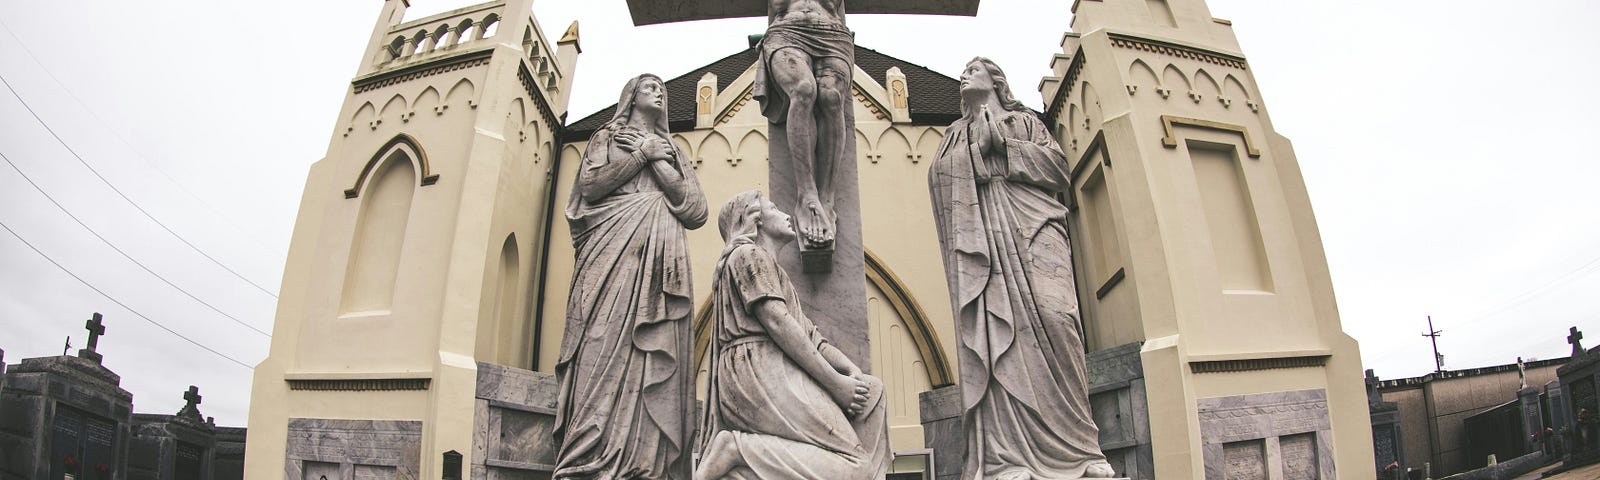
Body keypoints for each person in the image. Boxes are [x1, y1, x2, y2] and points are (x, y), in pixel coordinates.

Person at [928, 58, 1115, 479]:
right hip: (986, 245)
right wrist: (976, 151)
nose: (964, 74)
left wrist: (1005, 148)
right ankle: (1006, 456)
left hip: (1035, 230)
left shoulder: (1027, 122)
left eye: (973, 69)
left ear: (996, 80)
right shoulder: (955, 134)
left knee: (1058, 318)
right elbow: (938, 178)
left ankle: (1081, 449)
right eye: (963, 70)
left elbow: (1059, 171)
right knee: (999, 337)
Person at [553, 74, 707, 480]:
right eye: (650, 86)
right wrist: (639, 156)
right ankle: (588, 457)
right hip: (609, 253)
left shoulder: (673, 150)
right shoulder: (607, 135)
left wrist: (656, 156)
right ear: (631, 97)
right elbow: (591, 186)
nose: (659, 92)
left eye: (662, 89)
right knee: (601, 342)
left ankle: (645, 464)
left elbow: (694, 210)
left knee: (651, 353)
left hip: (660, 261)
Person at [696, 190, 889, 480]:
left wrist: (850, 372)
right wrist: (836, 384)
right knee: (857, 468)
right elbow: (778, 323)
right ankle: (737, 448)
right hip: (757, 368)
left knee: (873, 392)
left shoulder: (774, 271)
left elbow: (812, 337)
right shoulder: (747, 254)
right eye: (773, 207)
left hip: (772, 365)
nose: (786, 214)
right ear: (754, 219)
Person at [755, 0, 850, 251]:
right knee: (803, 89)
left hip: (832, 34)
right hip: (787, 31)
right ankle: (806, 194)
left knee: (831, 97)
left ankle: (826, 199)